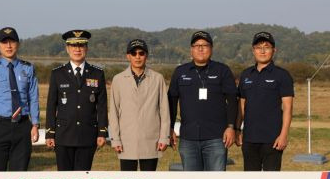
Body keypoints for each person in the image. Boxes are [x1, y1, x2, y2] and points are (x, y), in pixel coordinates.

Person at [168, 30, 237, 171]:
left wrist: (231, 127)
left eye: (204, 45)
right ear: (191, 50)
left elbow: (232, 101)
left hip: (216, 138)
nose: (200, 48)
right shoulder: (180, 72)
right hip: (188, 138)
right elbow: (171, 102)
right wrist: (169, 128)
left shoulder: (222, 71)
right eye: (196, 45)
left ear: (211, 48)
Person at [45, 30, 108, 171]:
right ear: (67, 49)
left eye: (81, 45)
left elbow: (102, 106)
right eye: (73, 46)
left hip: (87, 135)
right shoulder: (57, 74)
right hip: (64, 136)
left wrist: (102, 132)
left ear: (87, 48)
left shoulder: (97, 73)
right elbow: (51, 105)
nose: (77, 49)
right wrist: (50, 133)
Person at [0, 27, 40, 171]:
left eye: (12, 42)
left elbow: (33, 98)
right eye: (4, 42)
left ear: (18, 44)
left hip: (22, 126)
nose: (9, 46)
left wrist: (35, 125)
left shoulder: (28, 68)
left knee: (19, 174)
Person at [236, 31, 294, 171]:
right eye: (258, 47)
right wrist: (238, 129)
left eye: (266, 47)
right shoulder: (246, 75)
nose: (262, 51)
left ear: (274, 50)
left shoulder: (282, 75)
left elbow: (288, 108)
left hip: (273, 139)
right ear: (253, 50)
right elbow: (241, 106)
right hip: (249, 139)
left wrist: (283, 135)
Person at [109, 39, 170, 171]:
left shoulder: (157, 78)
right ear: (128, 56)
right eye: (133, 53)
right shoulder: (118, 79)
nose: (137, 56)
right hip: (126, 140)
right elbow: (113, 112)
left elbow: (164, 111)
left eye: (141, 53)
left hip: (151, 140)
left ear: (146, 55)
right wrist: (115, 139)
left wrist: (164, 137)